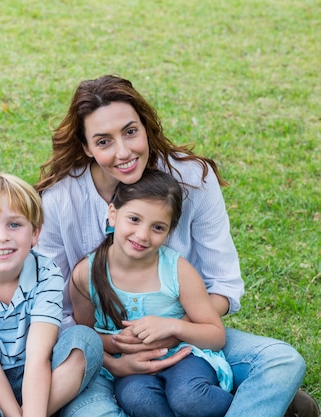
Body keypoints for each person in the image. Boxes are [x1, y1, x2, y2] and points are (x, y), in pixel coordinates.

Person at [34, 75, 317, 417]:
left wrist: (170, 330)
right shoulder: (59, 200)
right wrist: (112, 357)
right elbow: (53, 310)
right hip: (102, 355)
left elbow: (224, 285)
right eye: (104, 141)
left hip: (189, 340)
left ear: (145, 126)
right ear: (86, 147)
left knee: (281, 361)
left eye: (130, 132)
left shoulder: (192, 180)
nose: (123, 152)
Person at [71, 168, 234, 417]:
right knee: (137, 399)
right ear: (113, 214)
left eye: (157, 227)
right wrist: (116, 343)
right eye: (134, 219)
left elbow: (215, 334)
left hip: (185, 357)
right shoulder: (87, 273)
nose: (142, 235)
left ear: (169, 231)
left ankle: (250, 404)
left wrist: (173, 327)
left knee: (188, 397)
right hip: (132, 367)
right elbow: (85, 333)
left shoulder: (177, 270)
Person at [0, 172, 102, 417]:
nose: (2, 236)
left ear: (35, 233)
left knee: (85, 341)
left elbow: (38, 357)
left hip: (39, 371)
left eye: (14, 224)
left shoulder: (46, 273)